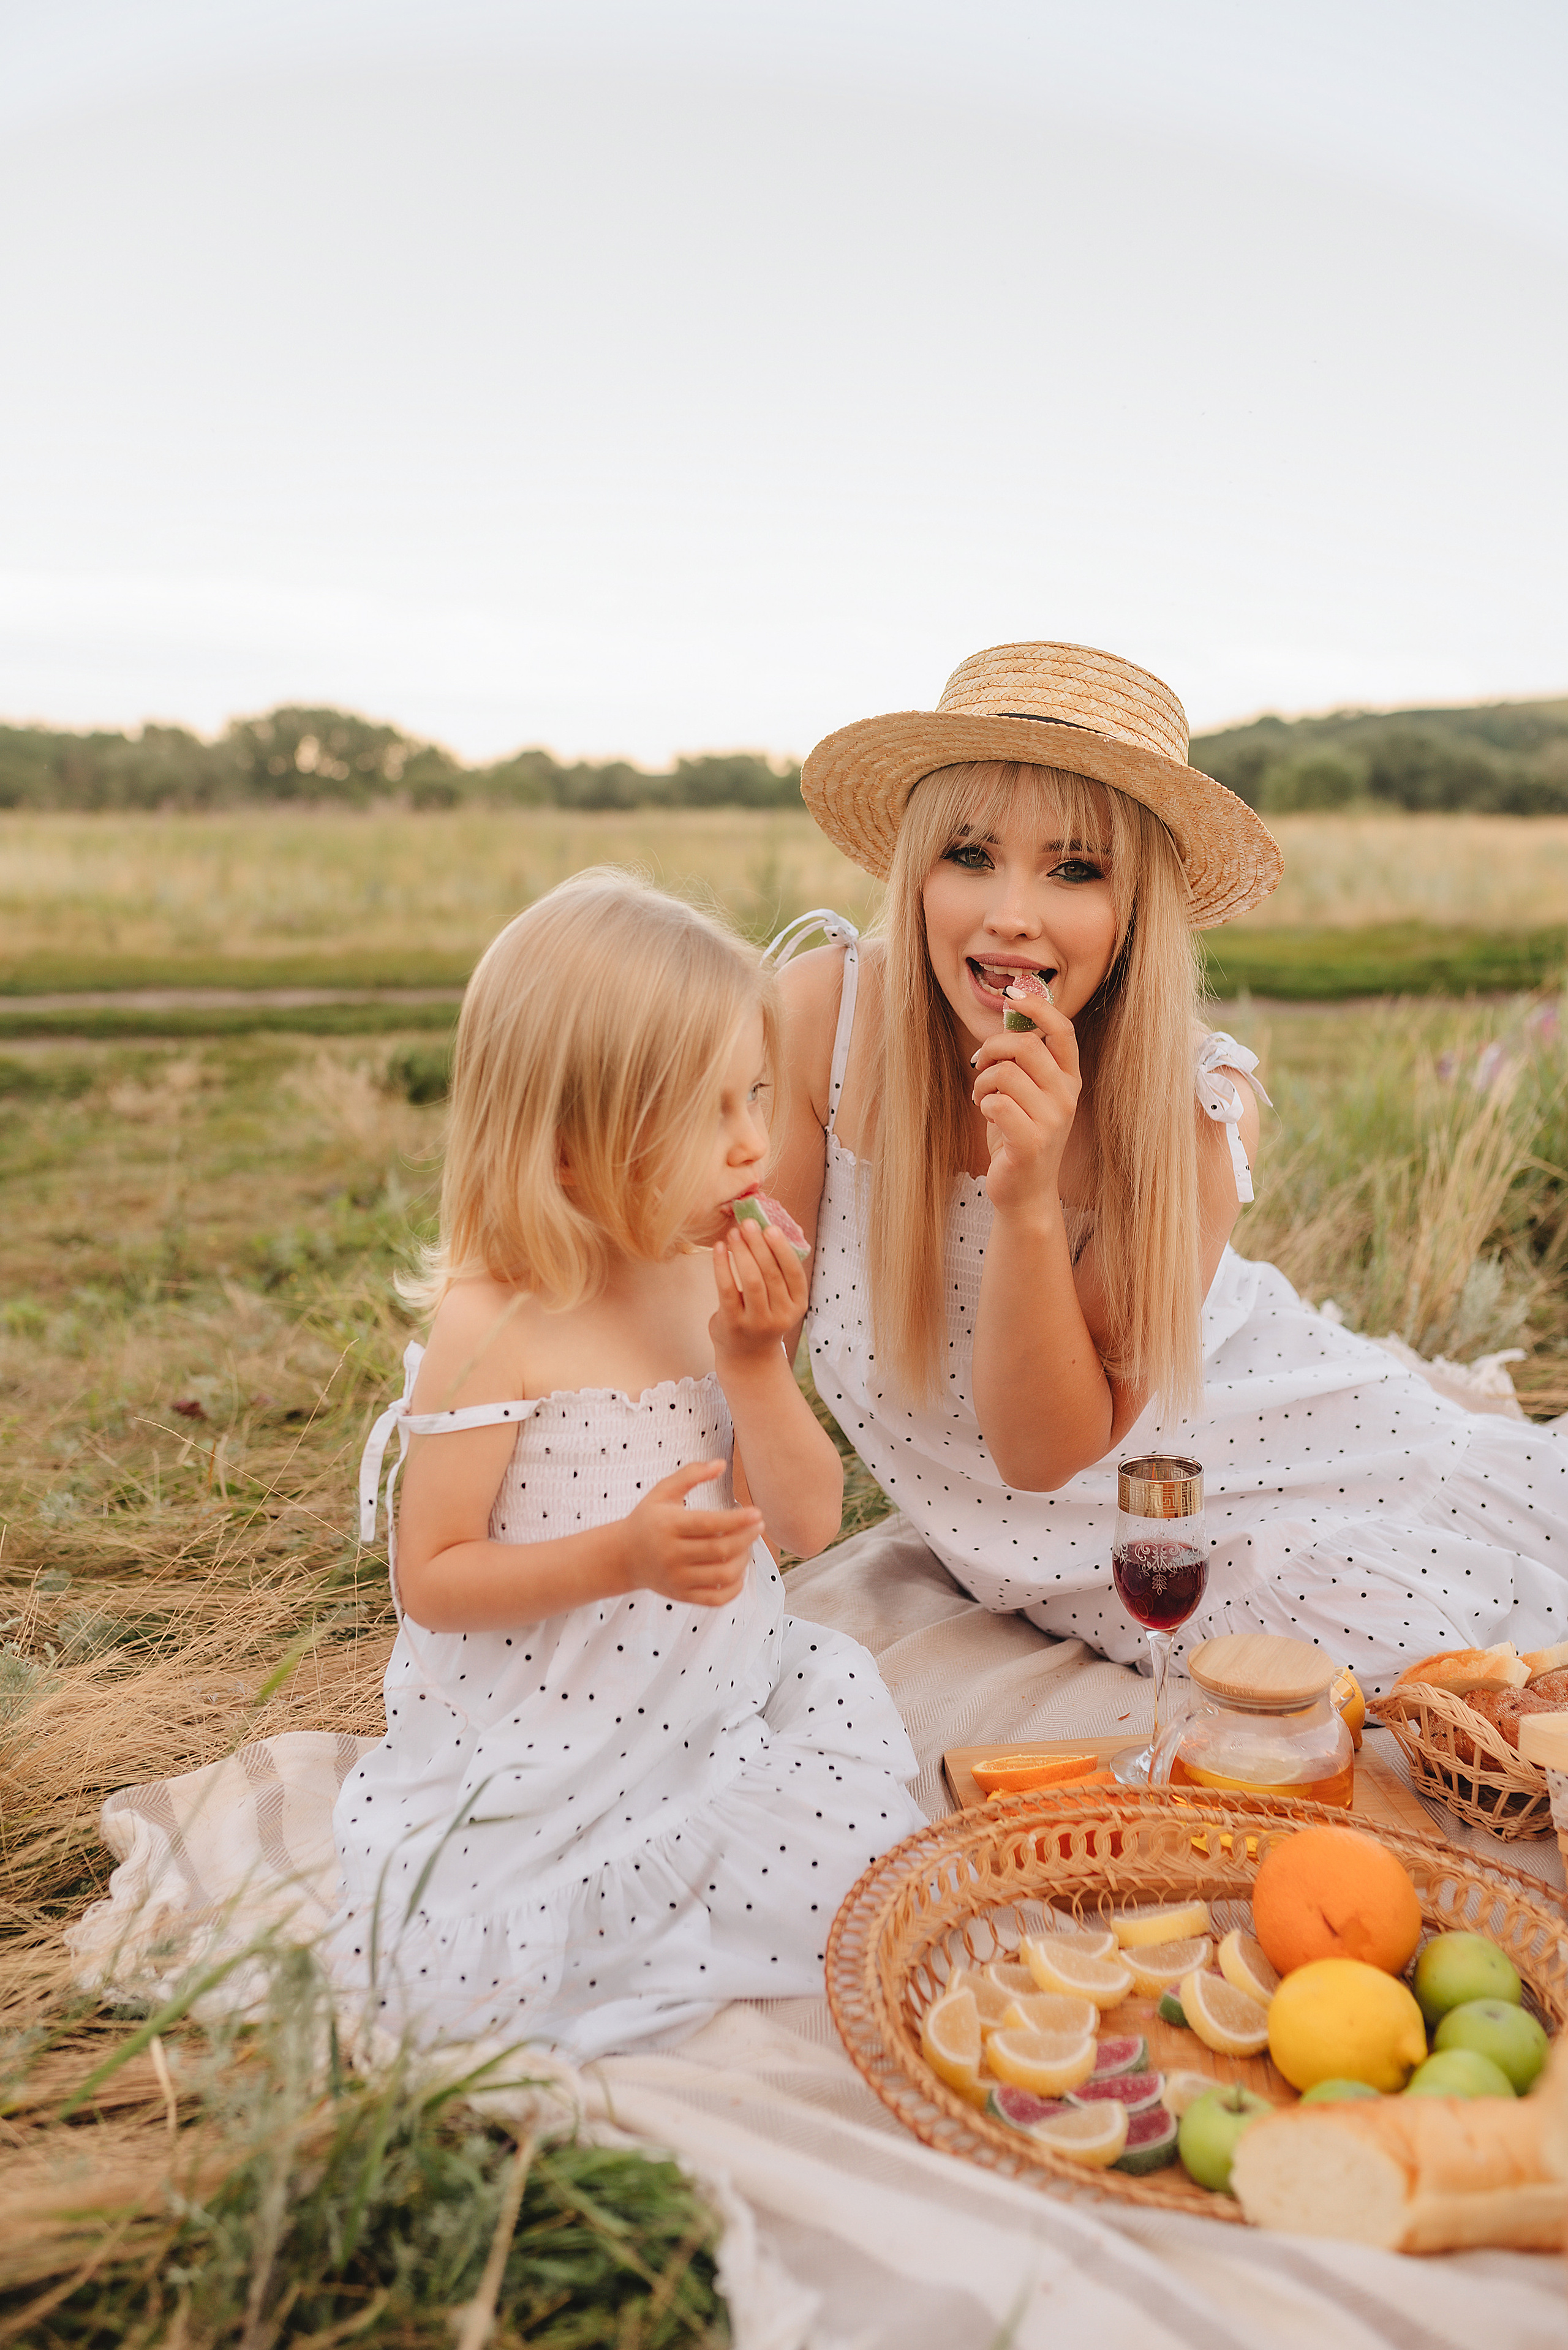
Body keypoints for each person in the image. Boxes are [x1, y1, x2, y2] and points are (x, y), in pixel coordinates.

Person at [770, 641, 1568, 1693]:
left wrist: (1027, 1198)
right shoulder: (821, 1013)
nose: (1012, 910)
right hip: (1014, 1532)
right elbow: (736, 1343)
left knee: (1451, 1647)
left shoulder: (1193, 1107)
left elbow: (1042, 1453)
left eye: (1075, 868)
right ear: (915, 867)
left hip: (1203, 1481)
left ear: (1137, 904)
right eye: (969, 853)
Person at [331, 871, 923, 2057]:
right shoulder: (495, 1319)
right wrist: (622, 1554)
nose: (757, 1139)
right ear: (567, 1144)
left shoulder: (708, 1266)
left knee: (855, 1854)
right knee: (453, 1945)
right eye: (709, 1112)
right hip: (550, 1717)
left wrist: (753, 1358)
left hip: (711, 1693)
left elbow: (806, 1522)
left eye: (757, 1090)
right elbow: (432, 1578)